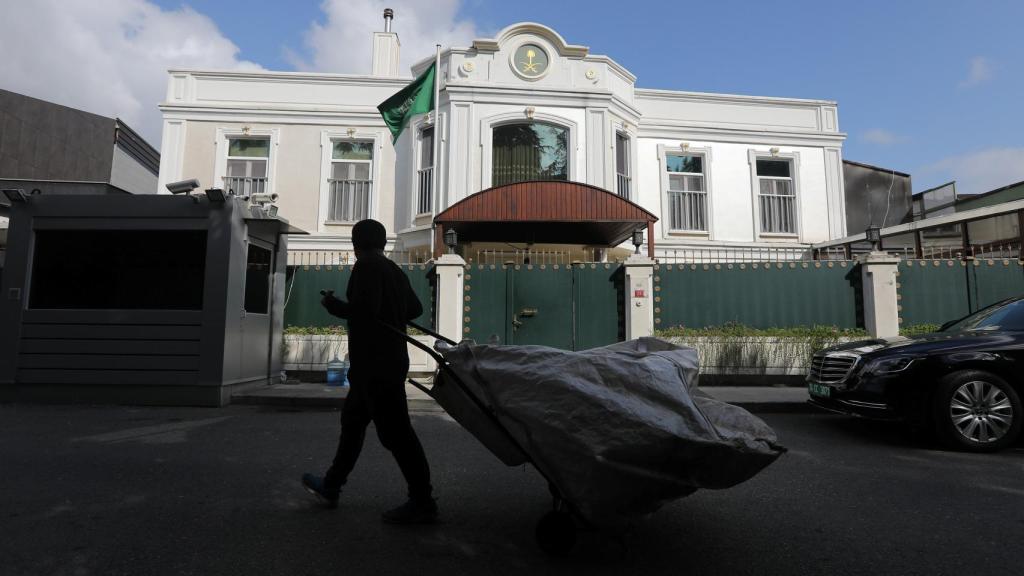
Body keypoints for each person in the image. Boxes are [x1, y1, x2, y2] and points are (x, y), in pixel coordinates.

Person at [301, 219, 436, 524]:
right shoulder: (392, 269)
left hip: (376, 364)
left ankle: (423, 500)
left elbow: (364, 312)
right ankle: (332, 485)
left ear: (355, 242)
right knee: (352, 423)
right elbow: (414, 310)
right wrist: (392, 309)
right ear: (383, 241)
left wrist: (333, 304)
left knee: (397, 433)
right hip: (383, 362)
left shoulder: (366, 267)